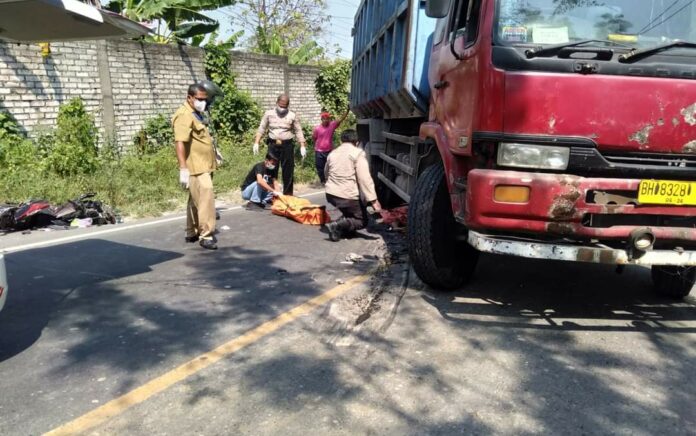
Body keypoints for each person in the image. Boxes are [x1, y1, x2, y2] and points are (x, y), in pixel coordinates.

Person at [173, 83, 218, 250]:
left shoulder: (196, 113)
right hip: (196, 166)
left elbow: (201, 138)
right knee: (206, 195)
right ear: (189, 98)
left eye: (205, 99)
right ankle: (206, 235)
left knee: (194, 198)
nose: (203, 102)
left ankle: (191, 231)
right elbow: (180, 143)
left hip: (204, 163)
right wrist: (183, 168)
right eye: (199, 99)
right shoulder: (184, 115)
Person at [324, 129, 382, 241]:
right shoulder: (358, 154)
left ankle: (344, 229)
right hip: (347, 196)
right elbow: (364, 178)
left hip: (330, 194)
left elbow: (326, 173)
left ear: (342, 141)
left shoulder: (332, 153)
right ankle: (337, 225)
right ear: (356, 142)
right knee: (362, 220)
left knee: (351, 211)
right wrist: (374, 201)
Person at [253, 94, 306, 196]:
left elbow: (298, 131)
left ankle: (288, 195)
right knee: (270, 169)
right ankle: (270, 195)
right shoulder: (268, 114)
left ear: (288, 105)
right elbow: (262, 128)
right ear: (277, 103)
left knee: (288, 171)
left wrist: (302, 145)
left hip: (287, 146)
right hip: (273, 145)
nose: (282, 108)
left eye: (284, 106)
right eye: (280, 106)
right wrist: (256, 142)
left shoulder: (292, 115)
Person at [312, 107, 350, 184]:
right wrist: (315, 147)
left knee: (331, 166)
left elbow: (340, 120)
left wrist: (347, 111)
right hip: (319, 151)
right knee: (320, 167)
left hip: (329, 150)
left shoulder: (332, 125)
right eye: (324, 119)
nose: (326, 120)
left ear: (329, 119)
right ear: (321, 119)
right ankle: (323, 181)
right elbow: (314, 138)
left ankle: (331, 180)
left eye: (327, 119)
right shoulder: (317, 128)